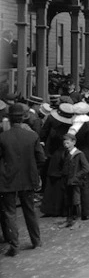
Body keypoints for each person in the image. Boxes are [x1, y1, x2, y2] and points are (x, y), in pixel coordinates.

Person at [0, 103, 45, 256]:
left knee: (10, 212)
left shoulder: (3, 137)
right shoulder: (32, 136)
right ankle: (36, 241)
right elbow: (41, 158)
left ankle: (14, 245)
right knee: (30, 210)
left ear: (9, 119)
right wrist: (34, 170)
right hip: (28, 177)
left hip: (7, 179)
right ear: (23, 118)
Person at [61, 133, 89, 228]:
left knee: (76, 201)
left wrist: (77, 176)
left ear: (74, 142)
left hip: (75, 182)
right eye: (64, 143)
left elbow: (86, 168)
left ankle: (77, 221)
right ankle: (69, 220)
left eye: (68, 143)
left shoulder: (79, 154)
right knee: (68, 201)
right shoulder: (66, 153)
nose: (66, 145)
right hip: (67, 181)